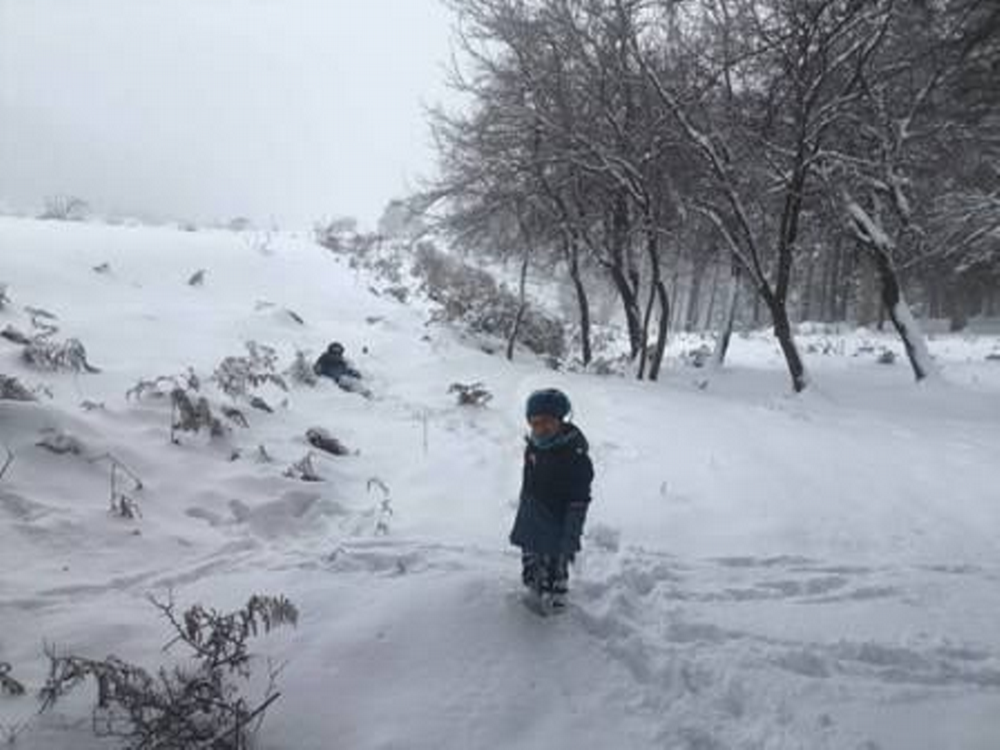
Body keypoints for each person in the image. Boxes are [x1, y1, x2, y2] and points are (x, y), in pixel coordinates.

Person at [510, 388, 594, 611]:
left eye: (547, 422)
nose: (541, 428)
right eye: (535, 423)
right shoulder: (533, 448)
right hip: (531, 518)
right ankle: (532, 593)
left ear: (560, 420)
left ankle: (556, 606)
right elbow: (528, 483)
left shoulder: (574, 455)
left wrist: (571, 535)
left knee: (554, 567)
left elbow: (579, 501)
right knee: (531, 563)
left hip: (557, 523)